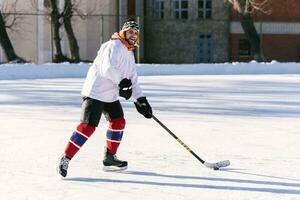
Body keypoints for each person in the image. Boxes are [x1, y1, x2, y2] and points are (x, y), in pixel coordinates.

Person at [57, 19, 152, 177]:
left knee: (118, 121)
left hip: (110, 95)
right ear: (123, 32)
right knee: (88, 127)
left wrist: (141, 100)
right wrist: (121, 81)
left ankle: (109, 158)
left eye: (135, 33)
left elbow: (133, 79)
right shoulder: (113, 45)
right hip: (95, 92)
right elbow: (107, 68)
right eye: (130, 31)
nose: (133, 35)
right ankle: (65, 158)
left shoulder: (129, 53)